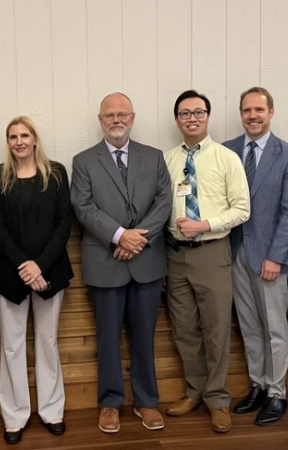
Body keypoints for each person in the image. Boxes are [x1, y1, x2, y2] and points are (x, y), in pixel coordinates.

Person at [71, 92, 172, 434]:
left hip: (146, 261)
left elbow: (164, 201)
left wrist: (136, 239)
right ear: (101, 120)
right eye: (109, 115)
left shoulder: (154, 157)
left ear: (132, 117)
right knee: (108, 339)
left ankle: (146, 402)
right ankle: (110, 403)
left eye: (122, 114)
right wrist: (118, 235)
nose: (116, 120)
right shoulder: (84, 161)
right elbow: (83, 208)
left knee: (145, 337)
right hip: (105, 261)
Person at [162, 90, 250, 433]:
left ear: (208, 116)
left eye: (198, 112)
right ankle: (194, 391)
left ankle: (218, 399)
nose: (192, 118)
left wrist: (205, 224)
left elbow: (242, 209)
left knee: (215, 330)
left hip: (213, 253)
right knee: (184, 330)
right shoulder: (167, 160)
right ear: (177, 120)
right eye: (185, 113)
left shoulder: (227, 158)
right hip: (175, 256)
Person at [0, 116, 73, 445]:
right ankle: (15, 416)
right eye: (13, 136)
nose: (19, 141)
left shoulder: (56, 173)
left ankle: (52, 411)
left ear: (35, 139)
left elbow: (63, 223)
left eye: (25, 135)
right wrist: (25, 266)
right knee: (12, 346)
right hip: (10, 272)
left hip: (50, 270)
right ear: (8, 142)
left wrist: (39, 267)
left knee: (48, 342)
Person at [223, 86, 288, 426]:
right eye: (247, 110)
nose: (253, 116)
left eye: (259, 109)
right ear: (241, 115)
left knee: (274, 329)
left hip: (270, 257)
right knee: (250, 326)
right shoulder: (226, 151)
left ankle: (277, 392)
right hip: (234, 252)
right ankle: (257, 385)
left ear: (271, 112)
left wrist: (276, 257)